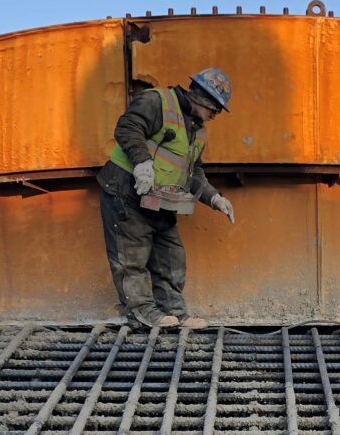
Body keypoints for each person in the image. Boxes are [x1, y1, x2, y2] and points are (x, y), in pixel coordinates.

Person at [96, 68, 236, 328]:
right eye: (214, 108)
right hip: (126, 188)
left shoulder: (198, 130)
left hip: (159, 200)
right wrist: (142, 163)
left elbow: (193, 171)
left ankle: (174, 310)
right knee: (131, 255)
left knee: (171, 257)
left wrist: (215, 198)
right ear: (202, 97)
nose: (215, 115)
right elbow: (128, 127)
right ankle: (142, 312)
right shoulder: (157, 101)